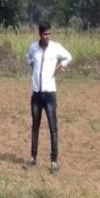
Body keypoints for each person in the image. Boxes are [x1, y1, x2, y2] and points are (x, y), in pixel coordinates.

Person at [23, 22, 72, 174]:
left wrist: (58, 68)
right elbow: (28, 58)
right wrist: (34, 68)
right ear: (40, 34)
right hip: (36, 93)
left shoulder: (55, 47)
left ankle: (54, 161)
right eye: (45, 34)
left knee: (53, 127)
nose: (47, 37)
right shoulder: (34, 48)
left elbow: (68, 57)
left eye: (49, 34)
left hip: (50, 93)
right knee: (35, 126)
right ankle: (33, 157)